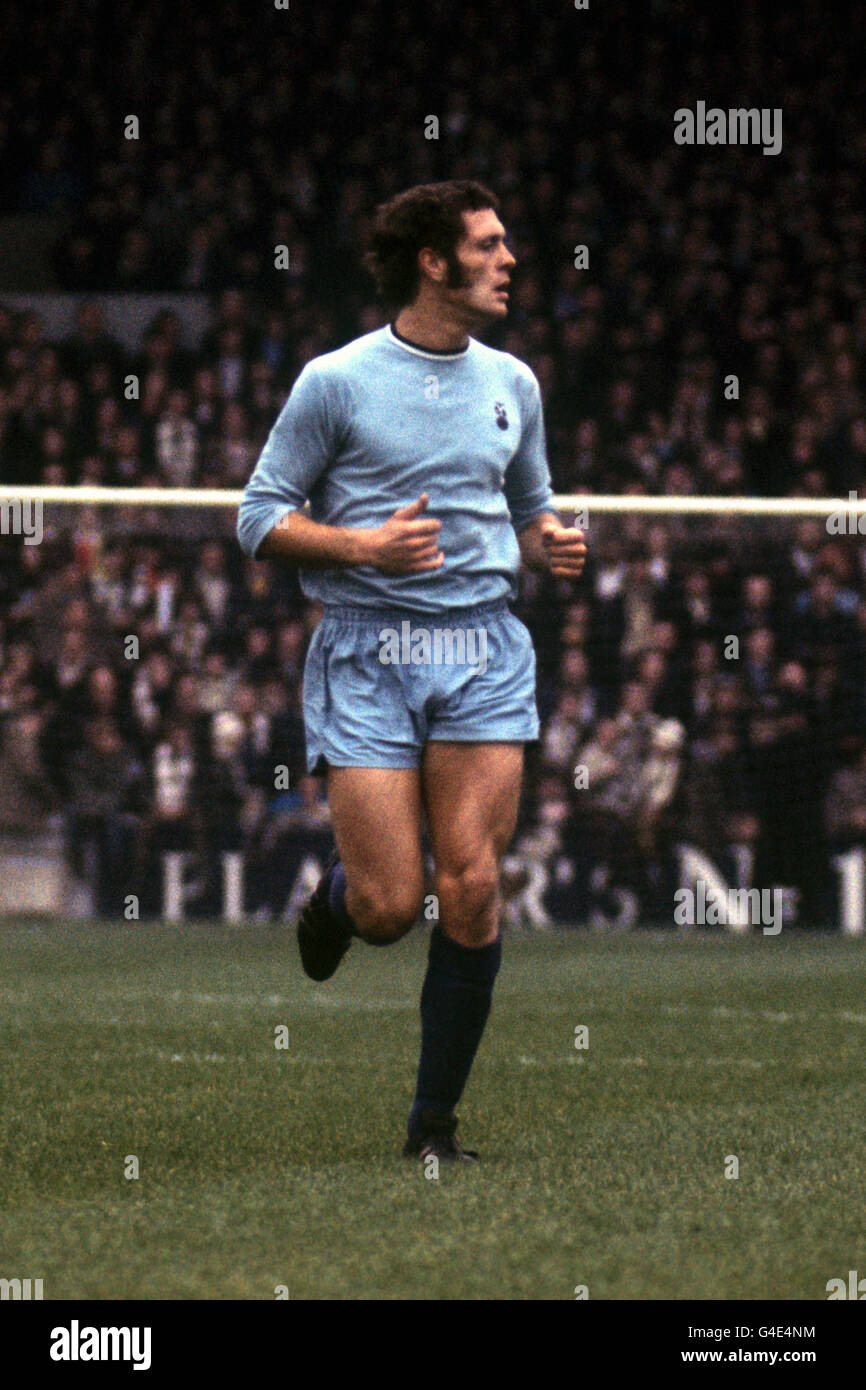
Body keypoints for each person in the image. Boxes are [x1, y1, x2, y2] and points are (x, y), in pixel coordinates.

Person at [237, 180, 586, 1162]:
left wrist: (550, 539)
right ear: (433, 261)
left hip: (481, 650)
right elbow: (259, 518)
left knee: (471, 884)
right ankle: (342, 895)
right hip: (368, 650)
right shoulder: (335, 380)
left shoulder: (513, 382)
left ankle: (431, 1127)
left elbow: (530, 502)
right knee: (393, 907)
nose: (509, 259)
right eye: (488, 244)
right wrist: (362, 549)